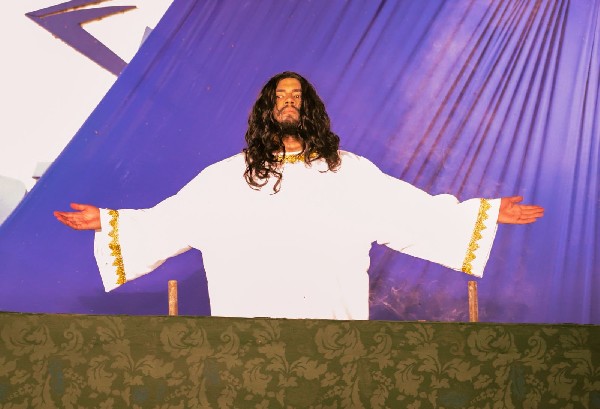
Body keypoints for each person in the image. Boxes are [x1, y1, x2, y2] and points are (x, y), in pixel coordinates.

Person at [54, 71, 544, 320]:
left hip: (329, 343)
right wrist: (112, 222)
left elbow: (413, 213)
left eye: (297, 97)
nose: (288, 102)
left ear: (310, 110)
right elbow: (170, 220)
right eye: (279, 97)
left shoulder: (348, 173)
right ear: (265, 112)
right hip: (248, 345)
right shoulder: (225, 178)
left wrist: (484, 213)